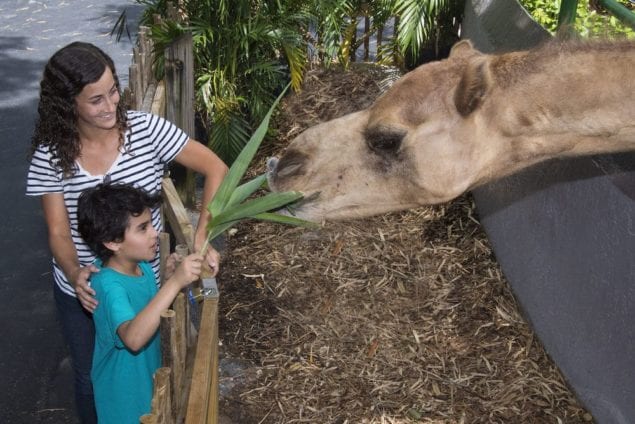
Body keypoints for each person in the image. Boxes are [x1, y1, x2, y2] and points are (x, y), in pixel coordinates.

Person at [26, 41, 228, 423]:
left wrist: (200, 239)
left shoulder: (147, 130)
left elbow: (216, 168)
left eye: (113, 91)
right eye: (96, 100)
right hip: (83, 292)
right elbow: (57, 231)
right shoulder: (51, 156)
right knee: (90, 378)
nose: (111, 106)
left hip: (141, 282)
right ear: (68, 103)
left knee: (141, 375)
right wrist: (75, 275)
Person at [77, 183, 200, 423]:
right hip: (123, 400)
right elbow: (133, 338)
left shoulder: (139, 266)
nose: (154, 233)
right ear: (113, 242)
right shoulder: (108, 286)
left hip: (145, 385)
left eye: (151, 224)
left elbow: (147, 310)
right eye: (143, 228)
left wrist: (166, 280)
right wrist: (174, 283)